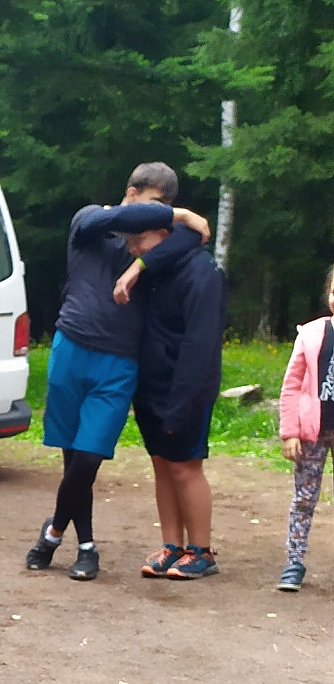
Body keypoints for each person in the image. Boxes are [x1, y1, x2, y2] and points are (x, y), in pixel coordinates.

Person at [27, 164, 209, 582]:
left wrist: (140, 264)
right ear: (131, 193)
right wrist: (180, 214)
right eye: (154, 205)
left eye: (166, 209)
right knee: (72, 458)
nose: (158, 217)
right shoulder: (90, 221)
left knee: (89, 458)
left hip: (119, 363)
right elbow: (139, 220)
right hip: (71, 348)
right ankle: (86, 547)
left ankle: (53, 532)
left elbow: (196, 238)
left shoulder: (151, 246)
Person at [113, 203, 228, 579]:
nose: (132, 250)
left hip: (187, 389)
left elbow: (200, 345)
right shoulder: (155, 269)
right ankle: (172, 545)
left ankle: (202, 551)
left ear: (164, 236)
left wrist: (182, 403)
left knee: (185, 468)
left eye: (139, 241)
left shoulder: (203, 273)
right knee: (162, 464)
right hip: (151, 385)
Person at [275, 265, 334, 592]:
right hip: (312, 432)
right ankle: (294, 562)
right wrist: (290, 432)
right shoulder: (311, 334)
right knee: (304, 499)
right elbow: (292, 385)